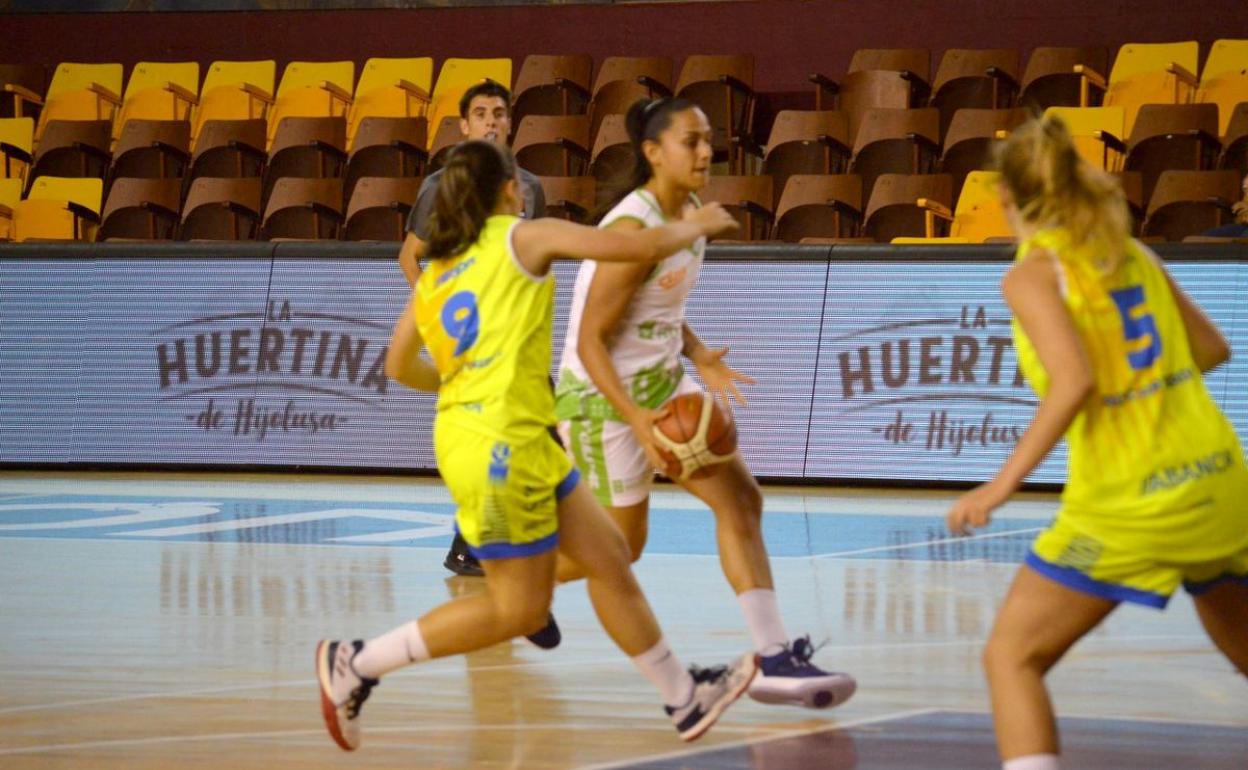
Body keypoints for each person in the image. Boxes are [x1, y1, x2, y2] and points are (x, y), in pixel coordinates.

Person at [316, 140, 756, 752]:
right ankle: (358, 661)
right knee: (516, 611)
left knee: (609, 554)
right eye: (518, 182)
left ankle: (684, 698)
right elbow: (626, 247)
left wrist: (461, 382)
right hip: (499, 449)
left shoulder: (438, 269)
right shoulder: (522, 236)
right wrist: (697, 222)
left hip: (499, 434)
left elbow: (396, 364)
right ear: (506, 190)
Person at [945, 115, 1248, 770]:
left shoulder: (1033, 275)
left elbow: (1073, 382)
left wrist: (997, 487)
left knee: (1011, 657)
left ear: (1004, 198)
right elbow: (1212, 349)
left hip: (1133, 496)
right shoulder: (1133, 251)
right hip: (1221, 476)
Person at [553, 97, 858, 710]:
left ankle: (772, 658)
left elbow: (659, 307)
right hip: (600, 399)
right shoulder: (631, 230)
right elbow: (589, 341)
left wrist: (696, 353)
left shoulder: (690, 212)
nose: (704, 152)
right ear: (652, 153)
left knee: (742, 498)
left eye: (708, 140)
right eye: (690, 141)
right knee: (620, 550)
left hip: (662, 385)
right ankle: (517, 579)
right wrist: (636, 420)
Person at [398, 78, 546, 579]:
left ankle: (483, 545)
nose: (490, 121)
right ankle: (476, 544)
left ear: (509, 123)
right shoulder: (440, 187)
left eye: (498, 113)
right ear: (463, 126)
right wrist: (443, 321)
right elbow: (409, 258)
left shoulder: (530, 188)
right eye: (480, 112)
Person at [1200, 171, 1248, 238]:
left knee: (1244, 237)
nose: (1245, 191)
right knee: (1208, 236)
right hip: (1243, 226)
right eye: (1244, 189)